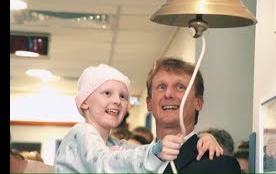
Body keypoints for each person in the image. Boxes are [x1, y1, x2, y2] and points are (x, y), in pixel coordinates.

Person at [54, 63, 222, 173]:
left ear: (199, 102)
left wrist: (205, 136)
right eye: (107, 93)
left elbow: (130, 156)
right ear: (84, 102)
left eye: (122, 96)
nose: (116, 101)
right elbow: (105, 164)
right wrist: (154, 152)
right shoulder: (82, 132)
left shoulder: (114, 145)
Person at [146, 57, 241, 173]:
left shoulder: (219, 165)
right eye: (161, 87)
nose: (168, 94)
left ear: (198, 103)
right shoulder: (132, 161)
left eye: (180, 87)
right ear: (149, 102)